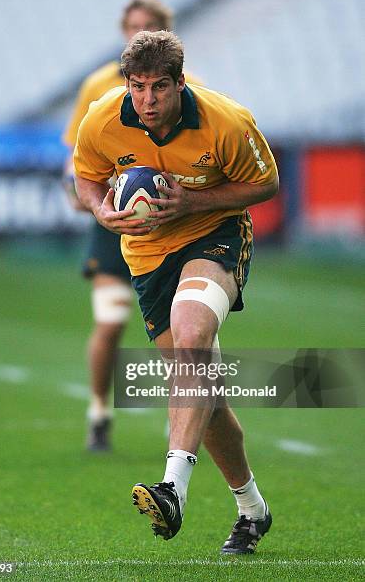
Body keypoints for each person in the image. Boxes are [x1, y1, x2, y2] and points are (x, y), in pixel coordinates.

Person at [74, 31, 278, 554]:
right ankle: (252, 510)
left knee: (192, 331)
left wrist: (192, 203)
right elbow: (87, 178)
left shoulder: (226, 121)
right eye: (138, 87)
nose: (147, 100)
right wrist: (102, 210)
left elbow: (265, 183)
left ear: (179, 83)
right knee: (203, 394)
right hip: (146, 258)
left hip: (216, 235)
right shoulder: (101, 119)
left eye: (159, 87)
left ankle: (173, 489)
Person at [63, 0, 201, 451]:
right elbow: (78, 162)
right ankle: (99, 414)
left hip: (172, 229)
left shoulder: (190, 90)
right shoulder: (98, 89)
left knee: (181, 329)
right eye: (132, 26)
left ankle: (177, 423)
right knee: (111, 321)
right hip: (114, 222)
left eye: (149, 26)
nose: (137, 33)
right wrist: (89, 199)